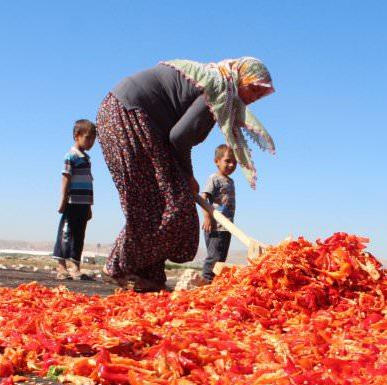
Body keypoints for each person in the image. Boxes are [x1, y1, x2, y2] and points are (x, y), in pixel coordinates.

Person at [96, 57, 275, 292]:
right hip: (130, 116)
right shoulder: (218, 89)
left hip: (125, 113)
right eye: (252, 89)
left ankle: (146, 276)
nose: (252, 99)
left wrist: (183, 174)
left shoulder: (217, 84)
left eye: (258, 96)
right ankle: (118, 267)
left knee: (157, 201)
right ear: (239, 78)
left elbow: (178, 136)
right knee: (169, 204)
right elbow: (180, 138)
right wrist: (187, 175)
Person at [52, 119, 96, 280]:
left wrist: (90, 206)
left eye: (93, 139)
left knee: (79, 234)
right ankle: (61, 266)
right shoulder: (71, 156)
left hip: (84, 204)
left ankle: (75, 267)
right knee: (66, 233)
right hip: (72, 202)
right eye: (88, 138)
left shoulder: (86, 158)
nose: (91, 142)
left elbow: (88, 183)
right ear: (77, 136)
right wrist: (63, 200)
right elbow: (66, 178)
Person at [200, 144, 237, 283]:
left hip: (227, 226)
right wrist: (207, 218)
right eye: (227, 161)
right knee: (214, 257)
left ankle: (214, 284)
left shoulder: (230, 181)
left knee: (221, 257)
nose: (231, 165)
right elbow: (203, 198)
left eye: (234, 162)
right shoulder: (214, 178)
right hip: (216, 226)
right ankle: (206, 282)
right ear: (217, 161)